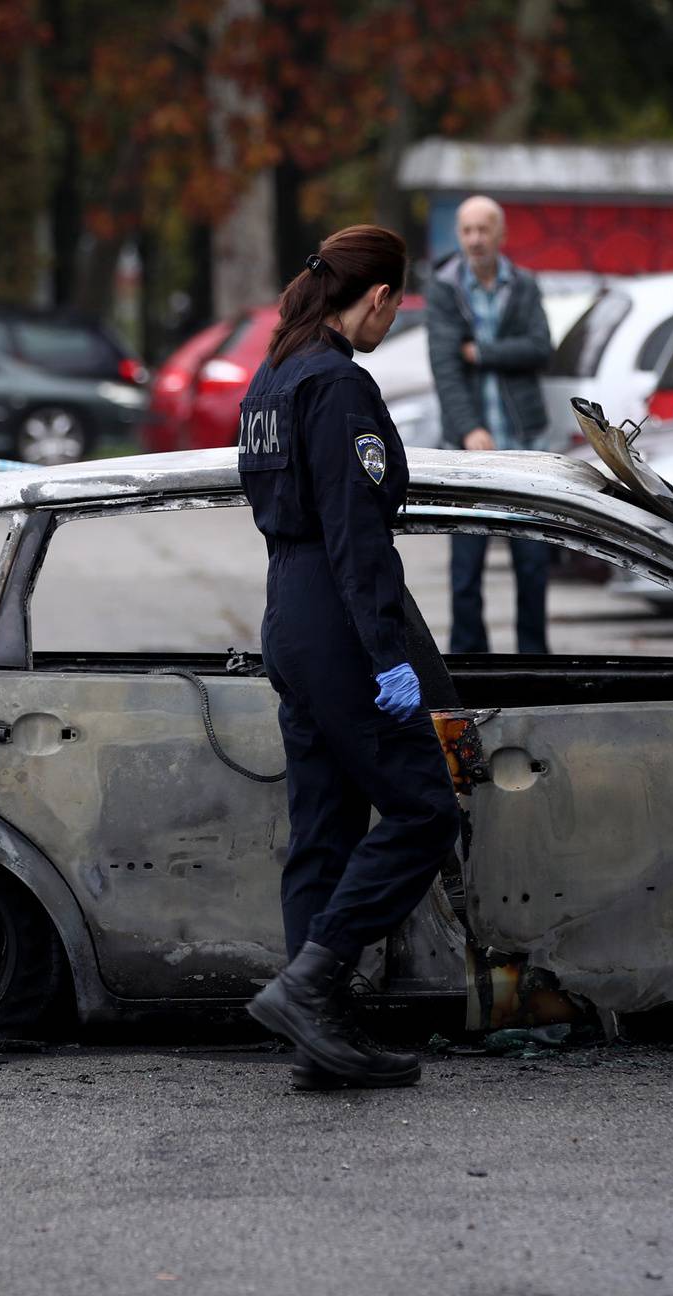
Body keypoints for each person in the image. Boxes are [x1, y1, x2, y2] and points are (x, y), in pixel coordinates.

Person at [239, 224, 462, 1091]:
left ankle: (317, 1037)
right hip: (335, 613)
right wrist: (386, 654)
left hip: (288, 607)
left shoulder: (274, 375)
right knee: (422, 811)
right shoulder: (335, 383)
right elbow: (355, 533)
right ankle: (311, 984)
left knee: (324, 831)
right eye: (395, 305)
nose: (393, 320)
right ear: (375, 298)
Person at [427, 195, 555, 654]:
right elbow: (445, 367)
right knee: (465, 568)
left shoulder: (523, 285)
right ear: (458, 236)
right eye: (467, 230)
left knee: (533, 562)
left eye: (484, 230)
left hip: (523, 444)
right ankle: (468, 661)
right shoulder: (444, 289)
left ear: (501, 235)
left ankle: (536, 660)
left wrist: (481, 352)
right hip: (468, 451)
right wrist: (467, 430)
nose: (476, 239)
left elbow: (541, 347)